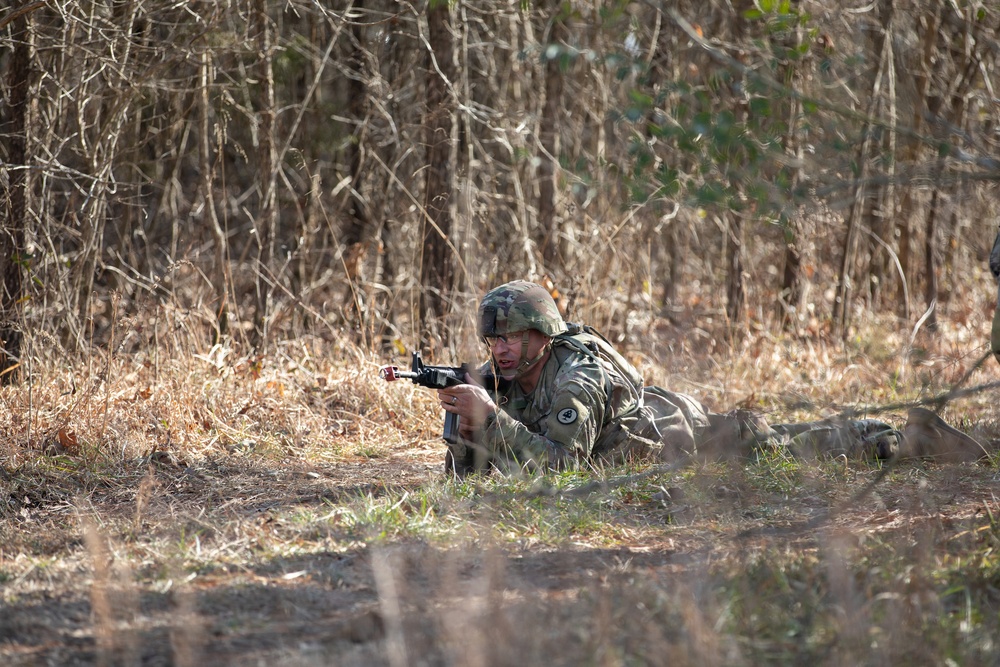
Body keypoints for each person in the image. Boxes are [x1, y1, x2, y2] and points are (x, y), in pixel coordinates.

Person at [437, 280, 989, 476]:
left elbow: (562, 468)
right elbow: (468, 480)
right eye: (494, 340)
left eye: (512, 338)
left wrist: (492, 420)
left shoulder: (575, 377)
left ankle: (913, 438)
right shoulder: (497, 380)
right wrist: (464, 427)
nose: (501, 350)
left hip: (678, 437)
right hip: (642, 445)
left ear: (542, 337)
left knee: (785, 447)